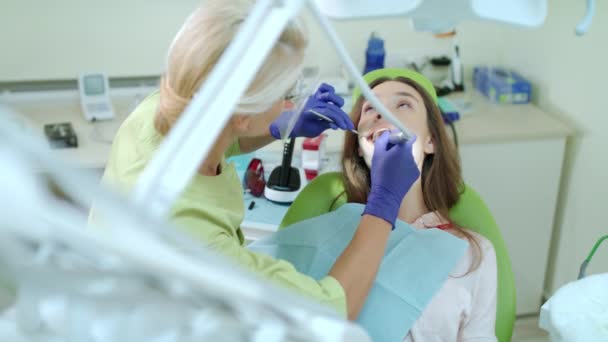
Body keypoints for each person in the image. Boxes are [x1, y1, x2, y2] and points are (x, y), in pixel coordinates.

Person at [90, 1, 419, 320]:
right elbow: (329, 312)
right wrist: (384, 202)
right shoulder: (193, 235)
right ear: (242, 116)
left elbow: (218, 137)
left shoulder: (163, 108)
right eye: (287, 92)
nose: (292, 103)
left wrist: (283, 125)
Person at [341, 68, 498, 340]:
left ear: (431, 141)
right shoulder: (334, 234)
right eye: (370, 107)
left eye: (403, 104)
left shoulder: (473, 254)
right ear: (357, 145)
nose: (382, 113)